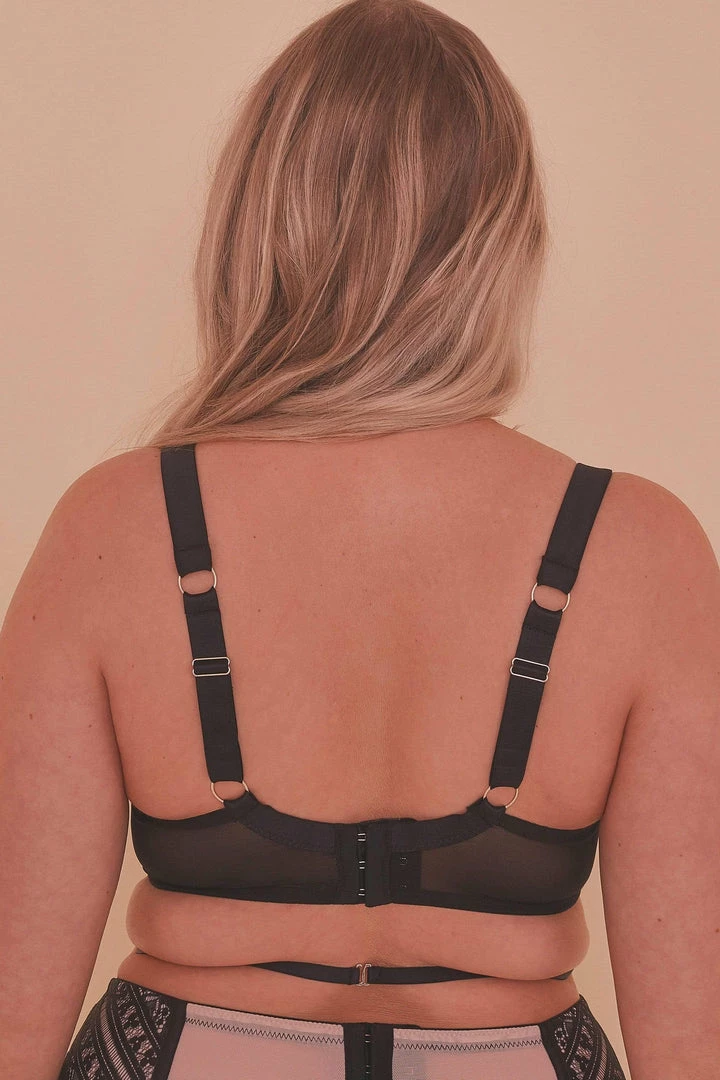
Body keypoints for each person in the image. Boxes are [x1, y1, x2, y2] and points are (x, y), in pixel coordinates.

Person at [1, 1, 718, 1078]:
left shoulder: (114, 527)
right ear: (504, 238)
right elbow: (693, 1049)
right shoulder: (643, 551)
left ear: (258, 222)